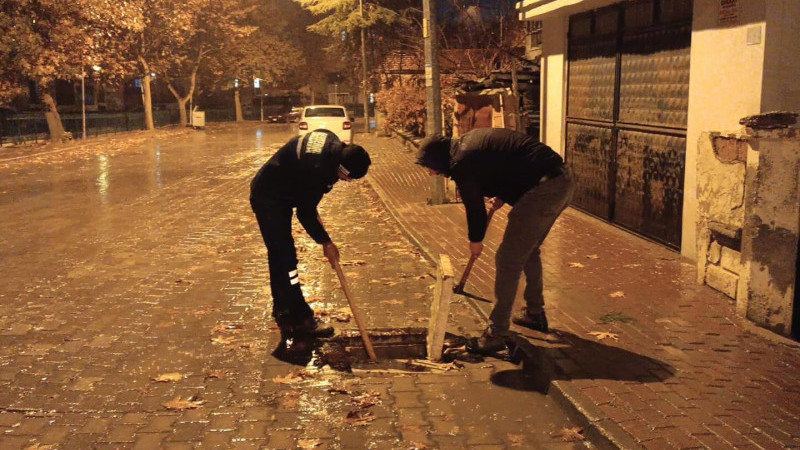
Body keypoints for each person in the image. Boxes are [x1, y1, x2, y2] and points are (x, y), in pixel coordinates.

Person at [416, 128, 574, 353]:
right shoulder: (468, 145)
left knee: (508, 260)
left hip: (546, 188)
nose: (431, 173)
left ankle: (497, 333)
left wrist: (476, 240)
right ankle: (535, 313)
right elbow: (509, 164)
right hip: (560, 179)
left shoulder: (462, 161)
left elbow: (474, 207)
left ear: (438, 158)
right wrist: (504, 193)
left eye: (429, 166)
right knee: (528, 251)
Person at [250, 129, 371, 337]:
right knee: (286, 259)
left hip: (283, 192)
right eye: (347, 177)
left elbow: (307, 203)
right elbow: (305, 213)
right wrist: (326, 242)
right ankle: (301, 320)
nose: (345, 181)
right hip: (268, 197)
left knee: (278, 254)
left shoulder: (332, 143)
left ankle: (282, 308)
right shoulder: (318, 169)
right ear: (341, 168)